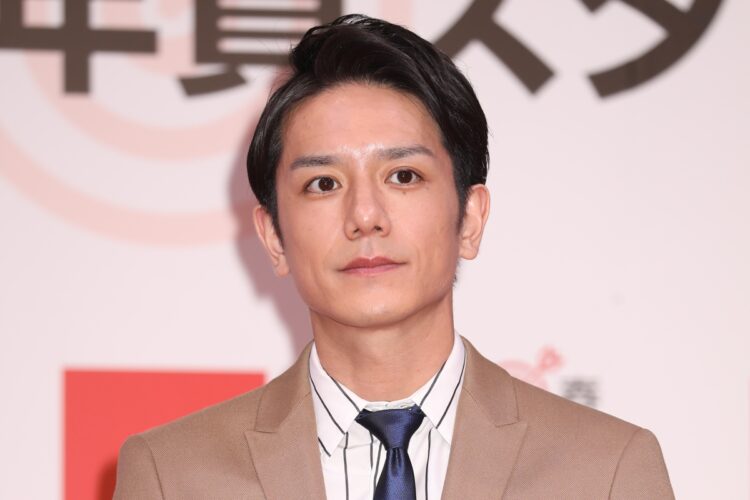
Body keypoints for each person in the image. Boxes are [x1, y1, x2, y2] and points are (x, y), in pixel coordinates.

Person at [113, 14, 674, 500]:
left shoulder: (606, 468)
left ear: (470, 218)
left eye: (403, 176)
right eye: (323, 183)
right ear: (273, 237)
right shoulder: (172, 474)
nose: (365, 215)